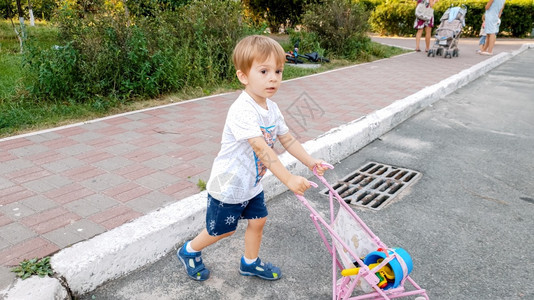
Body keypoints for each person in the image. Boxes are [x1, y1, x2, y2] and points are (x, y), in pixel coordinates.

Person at [176, 35, 329, 281]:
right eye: (264, 71)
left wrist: (311, 162)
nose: (273, 78)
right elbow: (261, 149)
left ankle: (249, 262)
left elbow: (287, 139)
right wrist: (288, 179)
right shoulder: (242, 109)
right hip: (228, 186)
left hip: (251, 183)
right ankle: (189, 250)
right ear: (243, 76)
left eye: (278, 71)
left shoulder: (273, 108)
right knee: (221, 231)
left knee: (259, 220)